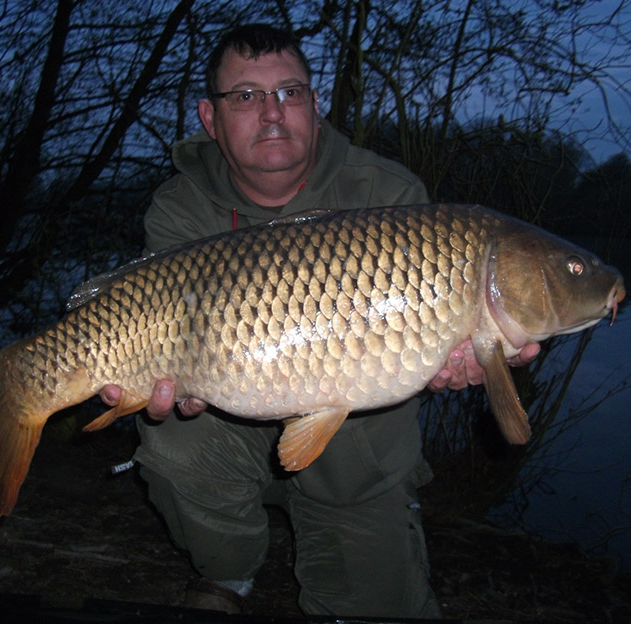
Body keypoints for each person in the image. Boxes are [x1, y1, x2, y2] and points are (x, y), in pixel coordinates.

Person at [100, 24, 538, 618]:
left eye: (291, 92)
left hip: (358, 448)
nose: (273, 113)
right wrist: (159, 383)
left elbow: (437, 354)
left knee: (374, 607)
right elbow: (154, 341)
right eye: (247, 97)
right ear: (210, 117)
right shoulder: (179, 208)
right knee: (175, 438)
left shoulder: (388, 191)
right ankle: (228, 572)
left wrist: (458, 362)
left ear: (314, 103)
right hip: (227, 420)